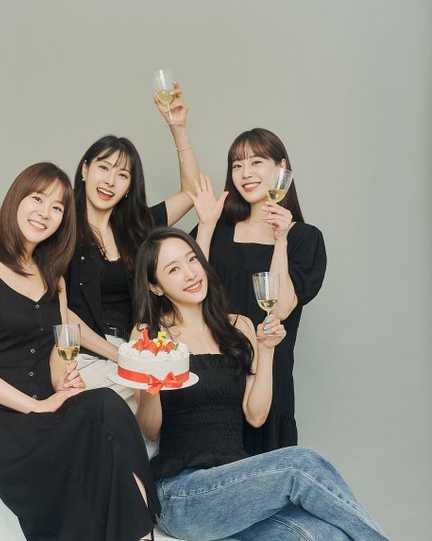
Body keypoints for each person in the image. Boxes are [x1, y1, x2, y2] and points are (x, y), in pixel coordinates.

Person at [132, 227, 387, 541]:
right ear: (155, 286)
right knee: (301, 464)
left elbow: (255, 415)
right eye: (173, 269)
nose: (190, 273)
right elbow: (150, 430)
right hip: (183, 495)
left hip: (238, 487)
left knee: (324, 535)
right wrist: (151, 383)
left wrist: (266, 350)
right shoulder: (150, 335)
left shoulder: (238, 326)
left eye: (192, 260)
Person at [0, 162, 159, 541]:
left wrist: (64, 381)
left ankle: (141, 530)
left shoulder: (55, 281)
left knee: (107, 405)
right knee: (97, 437)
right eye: (37, 199)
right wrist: (37, 407)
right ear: (16, 200)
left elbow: (55, 353)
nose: (44, 213)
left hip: (44, 410)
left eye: (57, 207)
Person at [191, 128, 327, 453]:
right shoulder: (216, 228)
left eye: (256, 162)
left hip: (268, 381)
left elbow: (278, 309)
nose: (245, 173)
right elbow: (190, 292)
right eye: (237, 165)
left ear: (281, 168)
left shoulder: (305, 238)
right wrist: (206, 226)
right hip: (213, 380)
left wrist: (281, 240)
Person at [66, 84, 199, 405]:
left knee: (171, 398)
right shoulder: (62, 229)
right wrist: (121, 357)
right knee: (137, 400)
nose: (110, 181)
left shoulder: (138, 228)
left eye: (122, 174)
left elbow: (193, 193)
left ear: (129, 186)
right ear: (85, 169)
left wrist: (178, 127)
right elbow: (58, 312)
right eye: (103, 168)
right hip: (83, 355)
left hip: (133, 351)